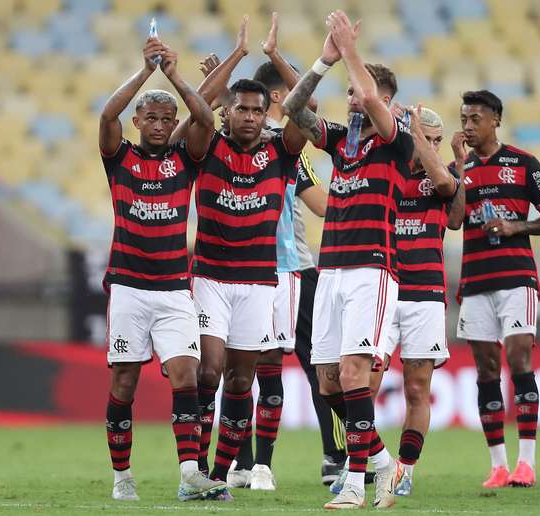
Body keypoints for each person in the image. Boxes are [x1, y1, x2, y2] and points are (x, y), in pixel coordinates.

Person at [283, 10, 410, 509]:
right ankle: (381, 460)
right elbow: (293, 109)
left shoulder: (396, 139)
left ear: (383, 100)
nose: (352, 98)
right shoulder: (344, 140)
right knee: (328, 380)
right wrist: (325, 61)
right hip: (331, 268)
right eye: (350, 92)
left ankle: (356, 483)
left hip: (371, 269)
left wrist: (352, 53)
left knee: (355, 372)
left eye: (357, 92)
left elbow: (373, 100)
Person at [98, 36, 225, 501]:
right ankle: (122, 477)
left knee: (187, 375)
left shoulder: (184, 160)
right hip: (129, 288)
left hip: (174, 289)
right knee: (124, 382)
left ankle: (190, 474)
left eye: (165, 119)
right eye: (149, 118)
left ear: (174, 123)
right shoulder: (120, 158)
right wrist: (145, 71)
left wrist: (173, 75)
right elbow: (106, 116)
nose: (157, 125)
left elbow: (206, 120)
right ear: (138, 121)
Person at [189, 60, 309, 500]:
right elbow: (197, 107)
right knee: (208, 371)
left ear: (266, 114)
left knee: (242, 381)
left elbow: (308, 108)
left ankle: (220, 475)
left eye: (258, 110)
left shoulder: (281, 153)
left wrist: (306, 63)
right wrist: (235, 57)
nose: (251, 117)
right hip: (211, 278)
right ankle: (196, 466)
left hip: (259, 282)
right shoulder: (206, 147)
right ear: (227, 111)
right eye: (241, 109)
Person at [227, 13, 331, 491]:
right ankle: (243, 461)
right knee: (242, 369)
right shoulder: (231, 140)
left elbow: (307, 110)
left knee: (270, 364)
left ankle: (261, 462)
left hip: (283, 268)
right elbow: (323, 205)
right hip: (248, 268)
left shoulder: (286, 146)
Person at [454, 90, 540, 488]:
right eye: (464, 119)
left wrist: (518, 226)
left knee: (519, 359)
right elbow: (453, 221)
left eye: (476, 119)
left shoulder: (523, 163)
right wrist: (459, 168)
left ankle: (526, 463)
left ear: (496, 119)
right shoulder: (458, 168)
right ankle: (498, 465)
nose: (468, 126)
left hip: (516, 277)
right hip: (475, 279)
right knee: (486, 368)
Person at [368, 104, 463, 497]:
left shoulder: (445, 176)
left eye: (438, 139)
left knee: (417, 389)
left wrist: (421, 139)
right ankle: (368, 462)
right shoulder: (387, 167)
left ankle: (404, 471)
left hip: (426, 294)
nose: (433, 146)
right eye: (427, 137)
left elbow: (448, 198)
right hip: (384, 288)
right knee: (362, 385)